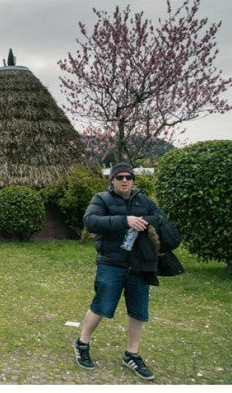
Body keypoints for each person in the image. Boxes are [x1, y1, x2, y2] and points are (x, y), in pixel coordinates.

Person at [74, 162, 165, 381]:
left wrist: (143, 221)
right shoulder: (101, 199)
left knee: (138, 311)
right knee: (101, 306)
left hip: (139, 264)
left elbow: (160, 218)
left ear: (133, 180)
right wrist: (125, 220)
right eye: (120, 177)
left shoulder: (143, 200)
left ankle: (131, 355)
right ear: (112, 180)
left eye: (129, 177)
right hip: (111, 263)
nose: (125, 180)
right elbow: (90, 221)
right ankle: (82, 343)